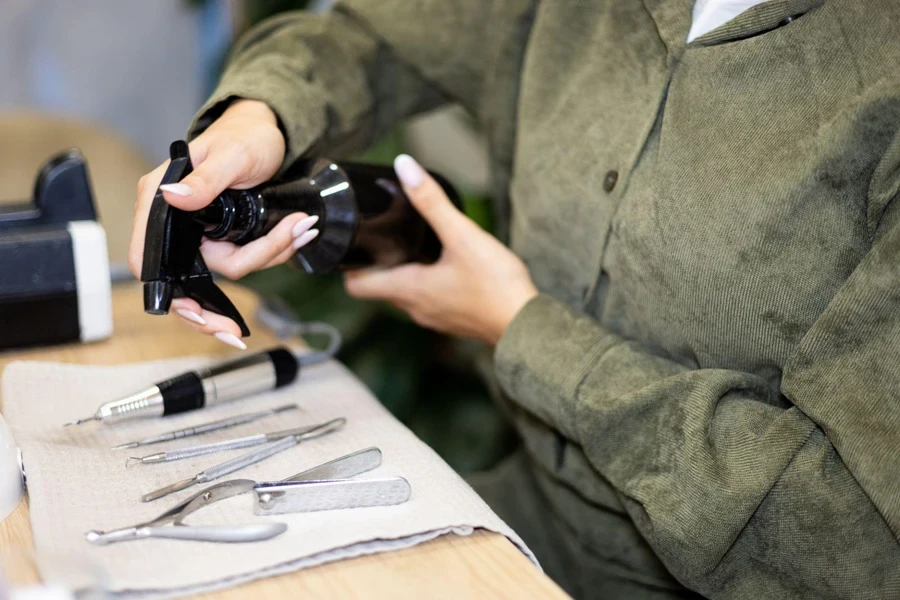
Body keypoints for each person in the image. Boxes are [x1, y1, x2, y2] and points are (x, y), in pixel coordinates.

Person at [128, 1, 900, 598]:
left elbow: (857, 543)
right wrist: (258, 117)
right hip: (526, 522)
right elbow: (376, 37)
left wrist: (518, 329)